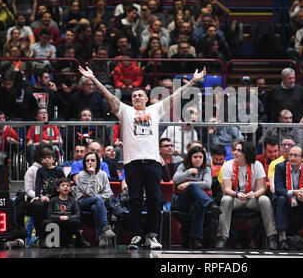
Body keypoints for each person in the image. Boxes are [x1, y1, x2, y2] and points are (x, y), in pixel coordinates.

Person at [78, 62, 207, 250]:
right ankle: (137, 235)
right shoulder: (126, 111)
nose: (137, 97)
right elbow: (109, 96)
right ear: (132, 100)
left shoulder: (155, 110)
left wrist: (192, 82)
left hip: (153, 163)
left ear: (147, 99)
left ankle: (152, 235)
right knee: (135, 200)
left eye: (141, 95)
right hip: (132, 164)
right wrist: (94, 79)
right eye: (135, 96)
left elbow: (174, 96)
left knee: (155, 199)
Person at [215, 141, 278, 250]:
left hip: (252, 199)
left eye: (239, 151)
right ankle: (222, 238)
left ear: (246, 153)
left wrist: (254, 194)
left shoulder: (257, 165)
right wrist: (237, 194)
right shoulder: (227, 165)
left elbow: (262, 188)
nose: (235, 153)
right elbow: (226, 189)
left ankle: (271, 238)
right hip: (235, 198)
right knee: (225, 199)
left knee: (265, 200)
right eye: (235, 150)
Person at [172, 146, 218, 249]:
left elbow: (207, 184)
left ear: (204, 158)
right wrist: (188, 172)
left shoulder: (206, 168)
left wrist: (188, 183)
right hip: (183, 203)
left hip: (198, 202)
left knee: (198, 205)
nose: (198, 159)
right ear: (190, 157)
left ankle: (197, 240)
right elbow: (175, 180)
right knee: (192, 187)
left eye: (200, 157)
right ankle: (210, 204)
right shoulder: (183, 166)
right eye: (195, 157)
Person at [75, 151, 116, 248]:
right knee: (97, 199)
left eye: (92, 160)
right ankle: (106, 227)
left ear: (97, 162)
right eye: (87, 161)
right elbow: (91, 193)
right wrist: (93, 175)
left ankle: (101, 236)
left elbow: (108, 193)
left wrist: (96, 197)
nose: (89, 162)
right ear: (84, 163)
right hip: (82, 203)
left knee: (95, 206)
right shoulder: (81, 175)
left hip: (97, 203)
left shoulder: (103, 174)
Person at [31, 145, 65, 247]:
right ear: (41, 160)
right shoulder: (40, 171)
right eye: (44, 158)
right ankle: (41, 236)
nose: (47, 160)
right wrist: (37, 196)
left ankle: (61, 236)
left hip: (57, 196)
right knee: (38, 205)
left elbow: (65, 182)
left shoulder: (58, 170)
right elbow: (37, 184)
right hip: (45, 195)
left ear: (53, 159)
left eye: (49, 158)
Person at [42, 177, 84, 247]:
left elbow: (77, 214)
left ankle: (78, 240)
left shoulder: (73, 201)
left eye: (67, 185)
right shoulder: (53, 200)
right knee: (46, 222)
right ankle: (46, 240)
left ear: (70, 189)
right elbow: (49, 215)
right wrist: (60, 217)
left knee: (76, 221)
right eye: (63, 185)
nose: (65, 187)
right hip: (57, 222)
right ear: (58, 189)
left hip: (68, 222)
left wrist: (68, 217)